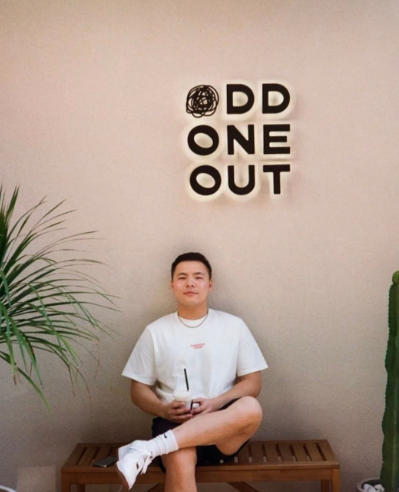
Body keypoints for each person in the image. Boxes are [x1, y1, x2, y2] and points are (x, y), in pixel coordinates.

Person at [117, 252, 268, 491]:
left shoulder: (233, 326)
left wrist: (217, 402)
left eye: (198, 277)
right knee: (179, 458)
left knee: (251, 407)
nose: (190, 283)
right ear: (172, 285)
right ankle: (157, 446)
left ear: (210, 285)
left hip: (223, 430)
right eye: (182, 277)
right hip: (173, 424)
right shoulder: (155, 331)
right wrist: (163, 408)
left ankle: (148, 449)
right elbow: (137, 389)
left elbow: (253, 383)